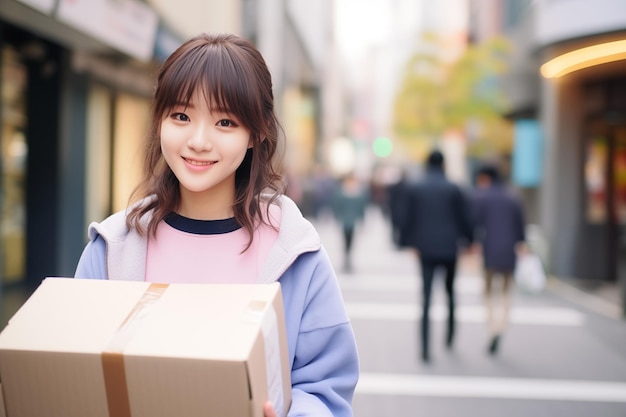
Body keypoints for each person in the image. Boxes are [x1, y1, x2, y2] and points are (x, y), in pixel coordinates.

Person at [74, 33, 359, 417]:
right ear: (160, 120)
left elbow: (326, 387)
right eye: (181, 116)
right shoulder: (112, 248)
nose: (198, 140)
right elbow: (75, 375)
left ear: (256, 133)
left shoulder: (294, 253)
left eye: (225, 122)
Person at [399, 150, 473, 363]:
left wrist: (407, 243)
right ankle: (449, 338)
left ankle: (424, 349)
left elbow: (407, 218)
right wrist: (469, 241)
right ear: (443, 165)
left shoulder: (416, 187)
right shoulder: (454, 188)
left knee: (426, 298)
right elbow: (465, 218)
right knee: (450, 293)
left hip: (425, 249)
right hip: (450, 248)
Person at [471, 163, 526, 355]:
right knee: (505, 293)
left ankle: (492, 327)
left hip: (489, 252)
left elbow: (473, 224)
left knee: (487, 293)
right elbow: (521, 228)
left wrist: (471, 244)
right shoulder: (513, 197)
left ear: (485, 177)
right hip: (509, 253)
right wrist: (521, 244)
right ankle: (501, 327)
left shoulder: (481, 197)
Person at [331, 172, 368, 273]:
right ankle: (346, 260)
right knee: (345, 241)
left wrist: (362, 220)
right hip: (344, 222)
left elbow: (362, 208)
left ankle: (349, 260)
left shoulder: (359, 193)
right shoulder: (340, 193)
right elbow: (336, 206)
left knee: (351, 241)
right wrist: (337, 217)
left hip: (353, 222)